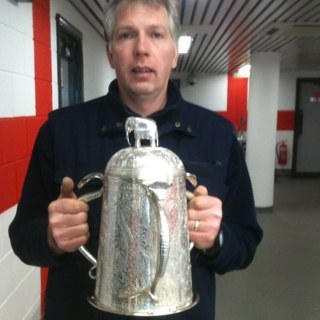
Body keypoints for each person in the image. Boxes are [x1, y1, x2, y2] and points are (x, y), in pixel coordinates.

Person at [9, 0, 263, 319]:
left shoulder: (218, 135)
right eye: (127, 34)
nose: (142, 48)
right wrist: (52, 237)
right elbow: (21, 236)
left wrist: (217, 239)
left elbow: (246, 241)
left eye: (156, 34)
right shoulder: (61, 131)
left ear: (174, 53)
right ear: (110, 52)